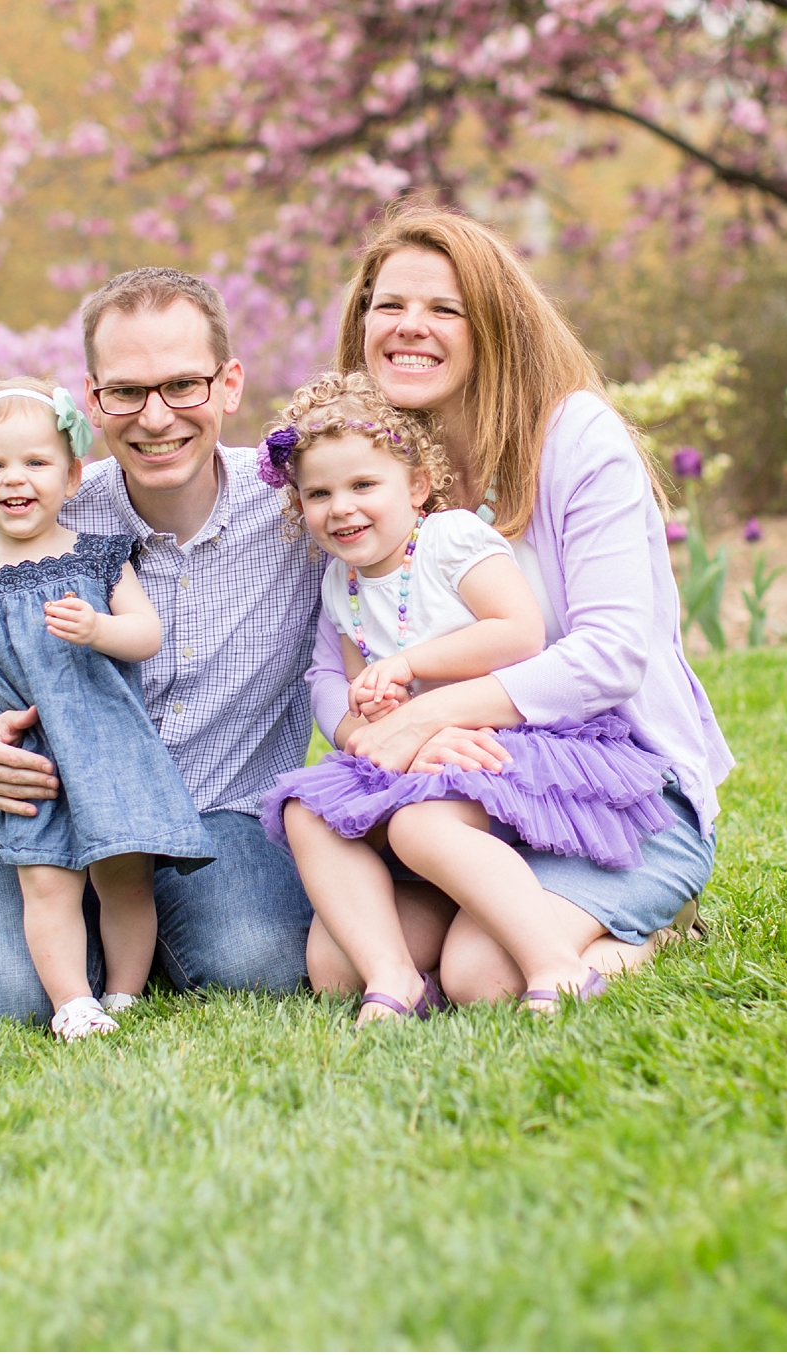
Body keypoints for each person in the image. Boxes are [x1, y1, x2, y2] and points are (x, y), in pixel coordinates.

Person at [295, 203, 734, 1008]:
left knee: (480, 977)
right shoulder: (374, 462)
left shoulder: (574, 438)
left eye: (443, 309)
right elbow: (335, 659)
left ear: (493, 325)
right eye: (388, 305)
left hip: (618, 784)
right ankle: (488, 900)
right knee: (339, 966)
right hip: (468, 794)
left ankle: (651, 926)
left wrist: (428, 715)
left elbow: (609, 653)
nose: (408, 327)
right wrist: (372, 732)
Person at [0, 268, 322, 1024]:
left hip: (218, 809)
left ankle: (145, 941)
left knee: (258, 964)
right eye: (128, 391)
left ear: (229, 384)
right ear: (93, 401)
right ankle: (92, 945)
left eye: (183, 385)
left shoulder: (300, 511)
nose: (156, 417)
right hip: (59, 810)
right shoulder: (33, 519)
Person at [256, 370, 679, 1021]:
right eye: (319, 492)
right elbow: (352, 683)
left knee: (426, 835)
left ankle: (558, 962)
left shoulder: (449, 539)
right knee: (306, 818)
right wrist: (375, 716)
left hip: (509, 740)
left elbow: (518, 632)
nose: (341, 506)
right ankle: (392, 975)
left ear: (416, 485)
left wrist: (409, 666)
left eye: (364, 484)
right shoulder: (340, 583)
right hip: (430, 759)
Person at [0, 377, 218, 1039]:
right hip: (33, 764)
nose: (14, 479)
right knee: (45, 885)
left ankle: (125, 991)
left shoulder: (96, 557)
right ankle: (71, 1000)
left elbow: (146, 633)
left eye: (35, 462)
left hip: (109, 748)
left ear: (73, 474)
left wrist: (97, 629)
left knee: (124, 880)